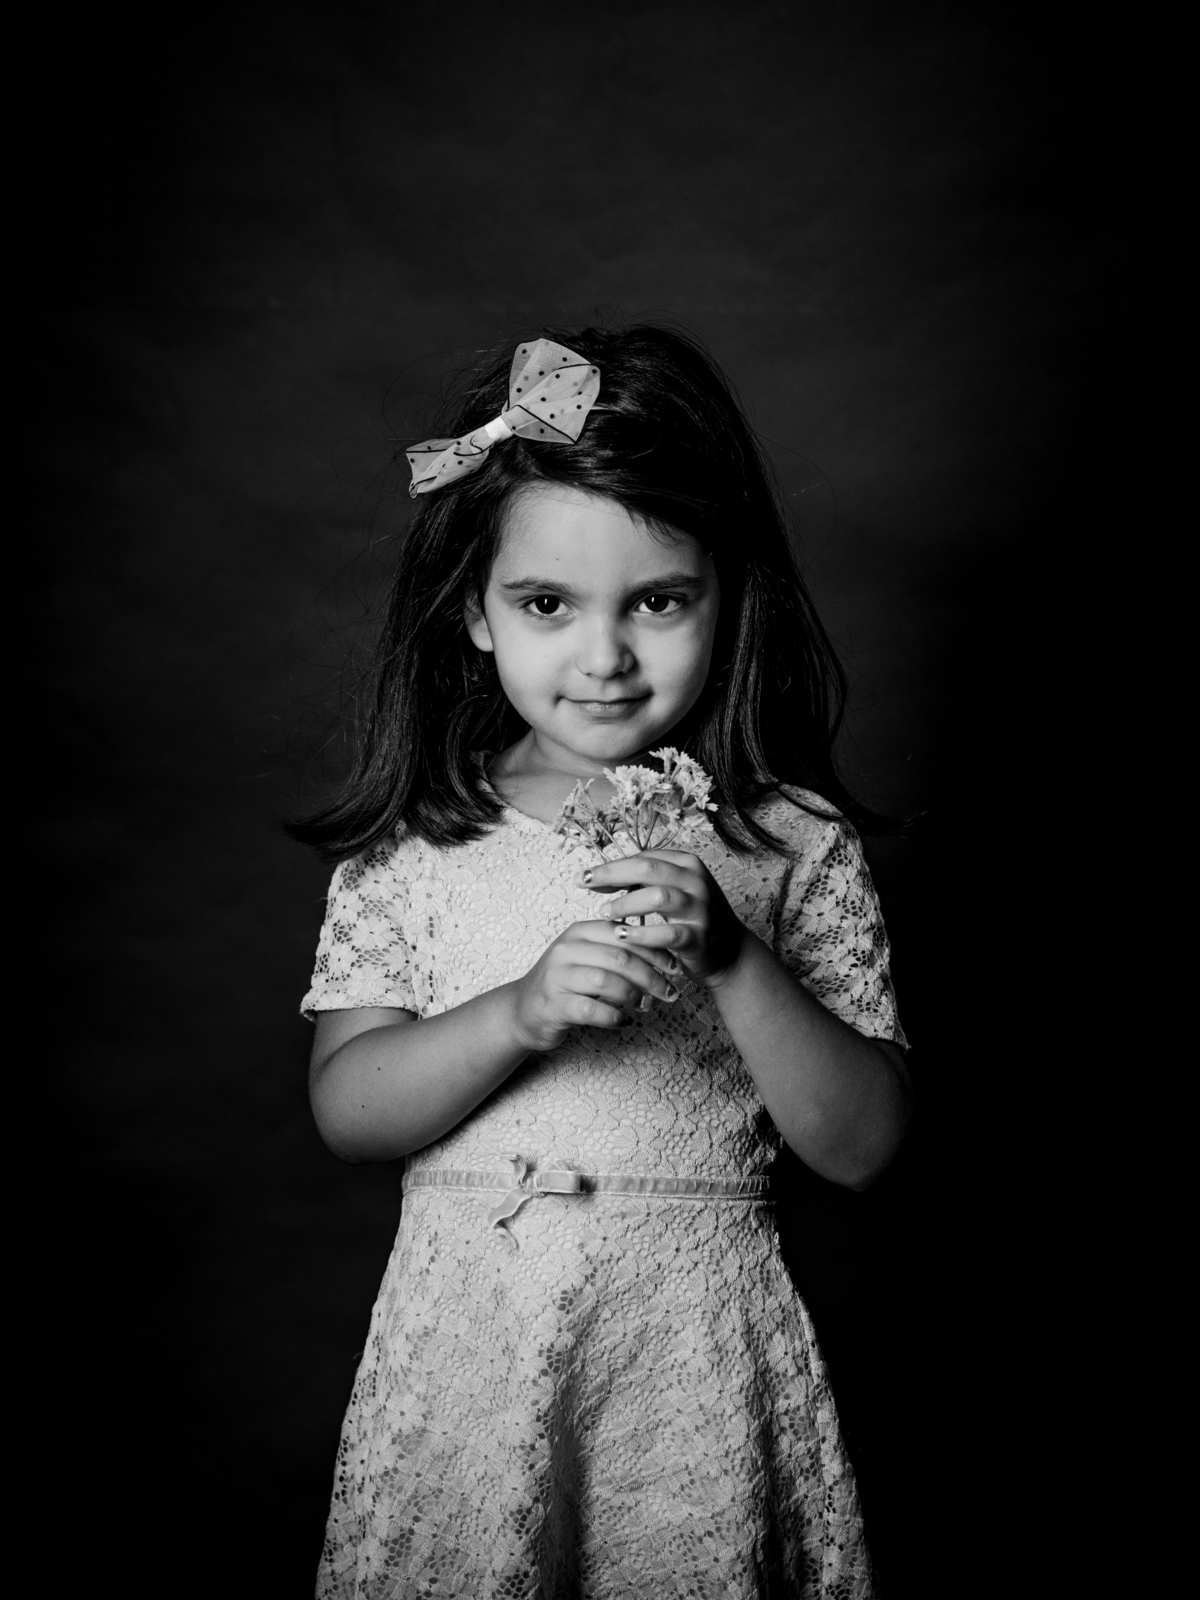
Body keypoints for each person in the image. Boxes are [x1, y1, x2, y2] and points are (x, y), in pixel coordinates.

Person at [294, 325, 912, 1597]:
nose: (606, 655)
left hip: (690, 1358)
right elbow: (349, 1110)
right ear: (474, 611)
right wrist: (519, 1011)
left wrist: (732, 954)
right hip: (477, 1355)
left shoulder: (789, 840)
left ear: (726, 596)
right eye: (546, 604)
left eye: (659, 600)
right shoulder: (418, 844)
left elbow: (865, 1146)